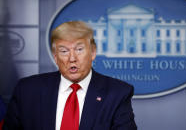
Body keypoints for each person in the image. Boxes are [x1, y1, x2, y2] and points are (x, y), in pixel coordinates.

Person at [3, 21, 137, 130]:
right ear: (55, 57)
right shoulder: (27, 90)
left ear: (93, 52)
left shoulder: (117, 93)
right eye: (64, 51)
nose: (72, 58)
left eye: (79, 49)